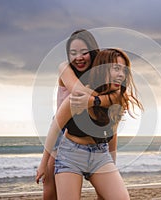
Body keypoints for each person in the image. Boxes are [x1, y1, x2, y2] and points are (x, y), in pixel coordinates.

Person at [37, 48, 143, 199]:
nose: (121, 74)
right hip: (70, 156)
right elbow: (55, 129)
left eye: (124, 70)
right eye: (116, 68)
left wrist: (112, 164)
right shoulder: (78, 98)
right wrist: (43, 165)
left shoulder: (118, 99)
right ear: (102, 70)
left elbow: (112, 134)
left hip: (100, 155)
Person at [36, 29, 119, 199]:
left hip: (91, 130)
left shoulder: (100, 73)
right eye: (73, 53)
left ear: (93, 52)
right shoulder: (65, 67)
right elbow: (78, 92)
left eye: (84, 52)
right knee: (49, 185)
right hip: (63, 127)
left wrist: (109, 98)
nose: (78, 57)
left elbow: (120, 97)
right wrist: (106, 98)